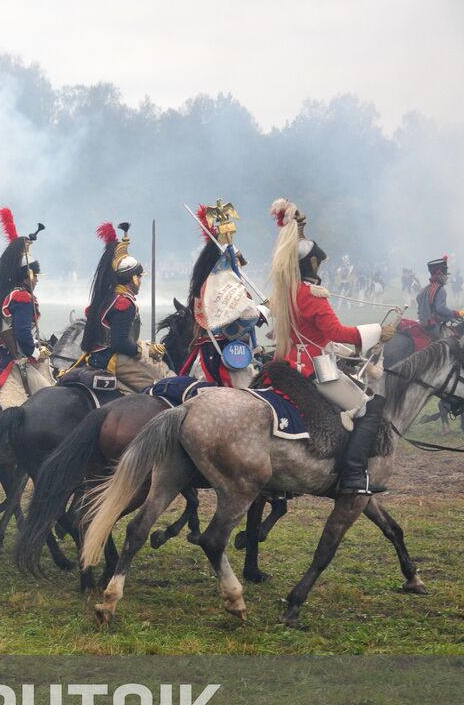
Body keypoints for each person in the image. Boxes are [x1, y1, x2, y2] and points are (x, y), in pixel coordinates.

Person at [266, 198, 395, 495]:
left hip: (284, 366)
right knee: (369, 407)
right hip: (313, 370)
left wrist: (298, 228)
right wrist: (378, 331)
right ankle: (352, 475)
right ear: (313, 263)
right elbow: (336, 331)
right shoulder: (312, 294)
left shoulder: (287, 291)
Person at [181, 201, 265, 388]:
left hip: (206, 355)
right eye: (239, 262)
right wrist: (265, 309)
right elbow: (246, 317)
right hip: (225, 357)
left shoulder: (209, 283)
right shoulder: (223, 283)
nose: (241, 267)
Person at [79, 221, 165, 392]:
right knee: (158, 386)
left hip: (96, 355)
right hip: (113, 359)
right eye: (139, 277)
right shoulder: (124, 303)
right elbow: (119, 342)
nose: (140, 281)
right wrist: (144, 351)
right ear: (133, 278)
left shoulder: (108, 297)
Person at [0, 208, 45, 392]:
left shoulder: (4, 294)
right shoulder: (21, 296)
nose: (37, 280)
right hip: (13, 357)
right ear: (28, 275)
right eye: (36, 275)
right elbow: (24, 334)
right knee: (47, 391)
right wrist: (36, 353)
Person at [416, 256, 459, 338]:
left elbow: (418, 298)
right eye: (445, 274)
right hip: (434, 326)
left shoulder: (424, 289)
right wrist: (454, 313)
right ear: (440, 274)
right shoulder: (440, 289)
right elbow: (440, 308)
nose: (446, 277)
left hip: (422, 323)